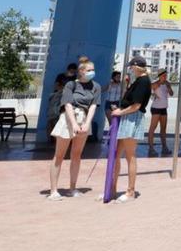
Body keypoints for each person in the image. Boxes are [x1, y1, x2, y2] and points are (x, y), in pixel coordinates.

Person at [47, 60, 99, 201]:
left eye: (92, 70)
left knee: (76, 155)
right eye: (88, 70)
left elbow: (93, 106)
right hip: (68, 119)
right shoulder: (71, 85)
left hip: (84, 118)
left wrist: (87, 123)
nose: (91, 72)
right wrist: (74, 124)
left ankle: (72, 187)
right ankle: (53, 190)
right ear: (81, 71)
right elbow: (68, 104)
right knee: (59, 155)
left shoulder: (96, 87)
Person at [107, 57, 151, 202]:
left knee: (130, 156)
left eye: (131, 67)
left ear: (137, 67)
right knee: (116, 154)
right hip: (127, 117)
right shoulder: (138, 81)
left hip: (132, 118)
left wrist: (120, 112)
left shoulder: (144, 81)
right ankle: (111, 190)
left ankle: (130, 191)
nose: (130, 70)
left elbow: (137, 105)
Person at [147, 70, 174, 154]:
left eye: (166, 75)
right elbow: (149, 90)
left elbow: (172, 94)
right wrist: (159, 83)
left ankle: (164, 147)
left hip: (164, 108)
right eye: (164, 75)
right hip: (156, 108)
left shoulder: (167, 84)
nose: (165, 77)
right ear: (160, 76)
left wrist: (168, 87)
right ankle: (151, 148)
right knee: (153, 128)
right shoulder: (155, 83)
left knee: (163, 129)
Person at [45, 73, 71, 144]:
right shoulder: (56, 93)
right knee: (53, 129)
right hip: (54, 114)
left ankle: (56, 143)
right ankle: (54, 143)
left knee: (54, 129)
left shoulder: (59, 93)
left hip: (55, 114)